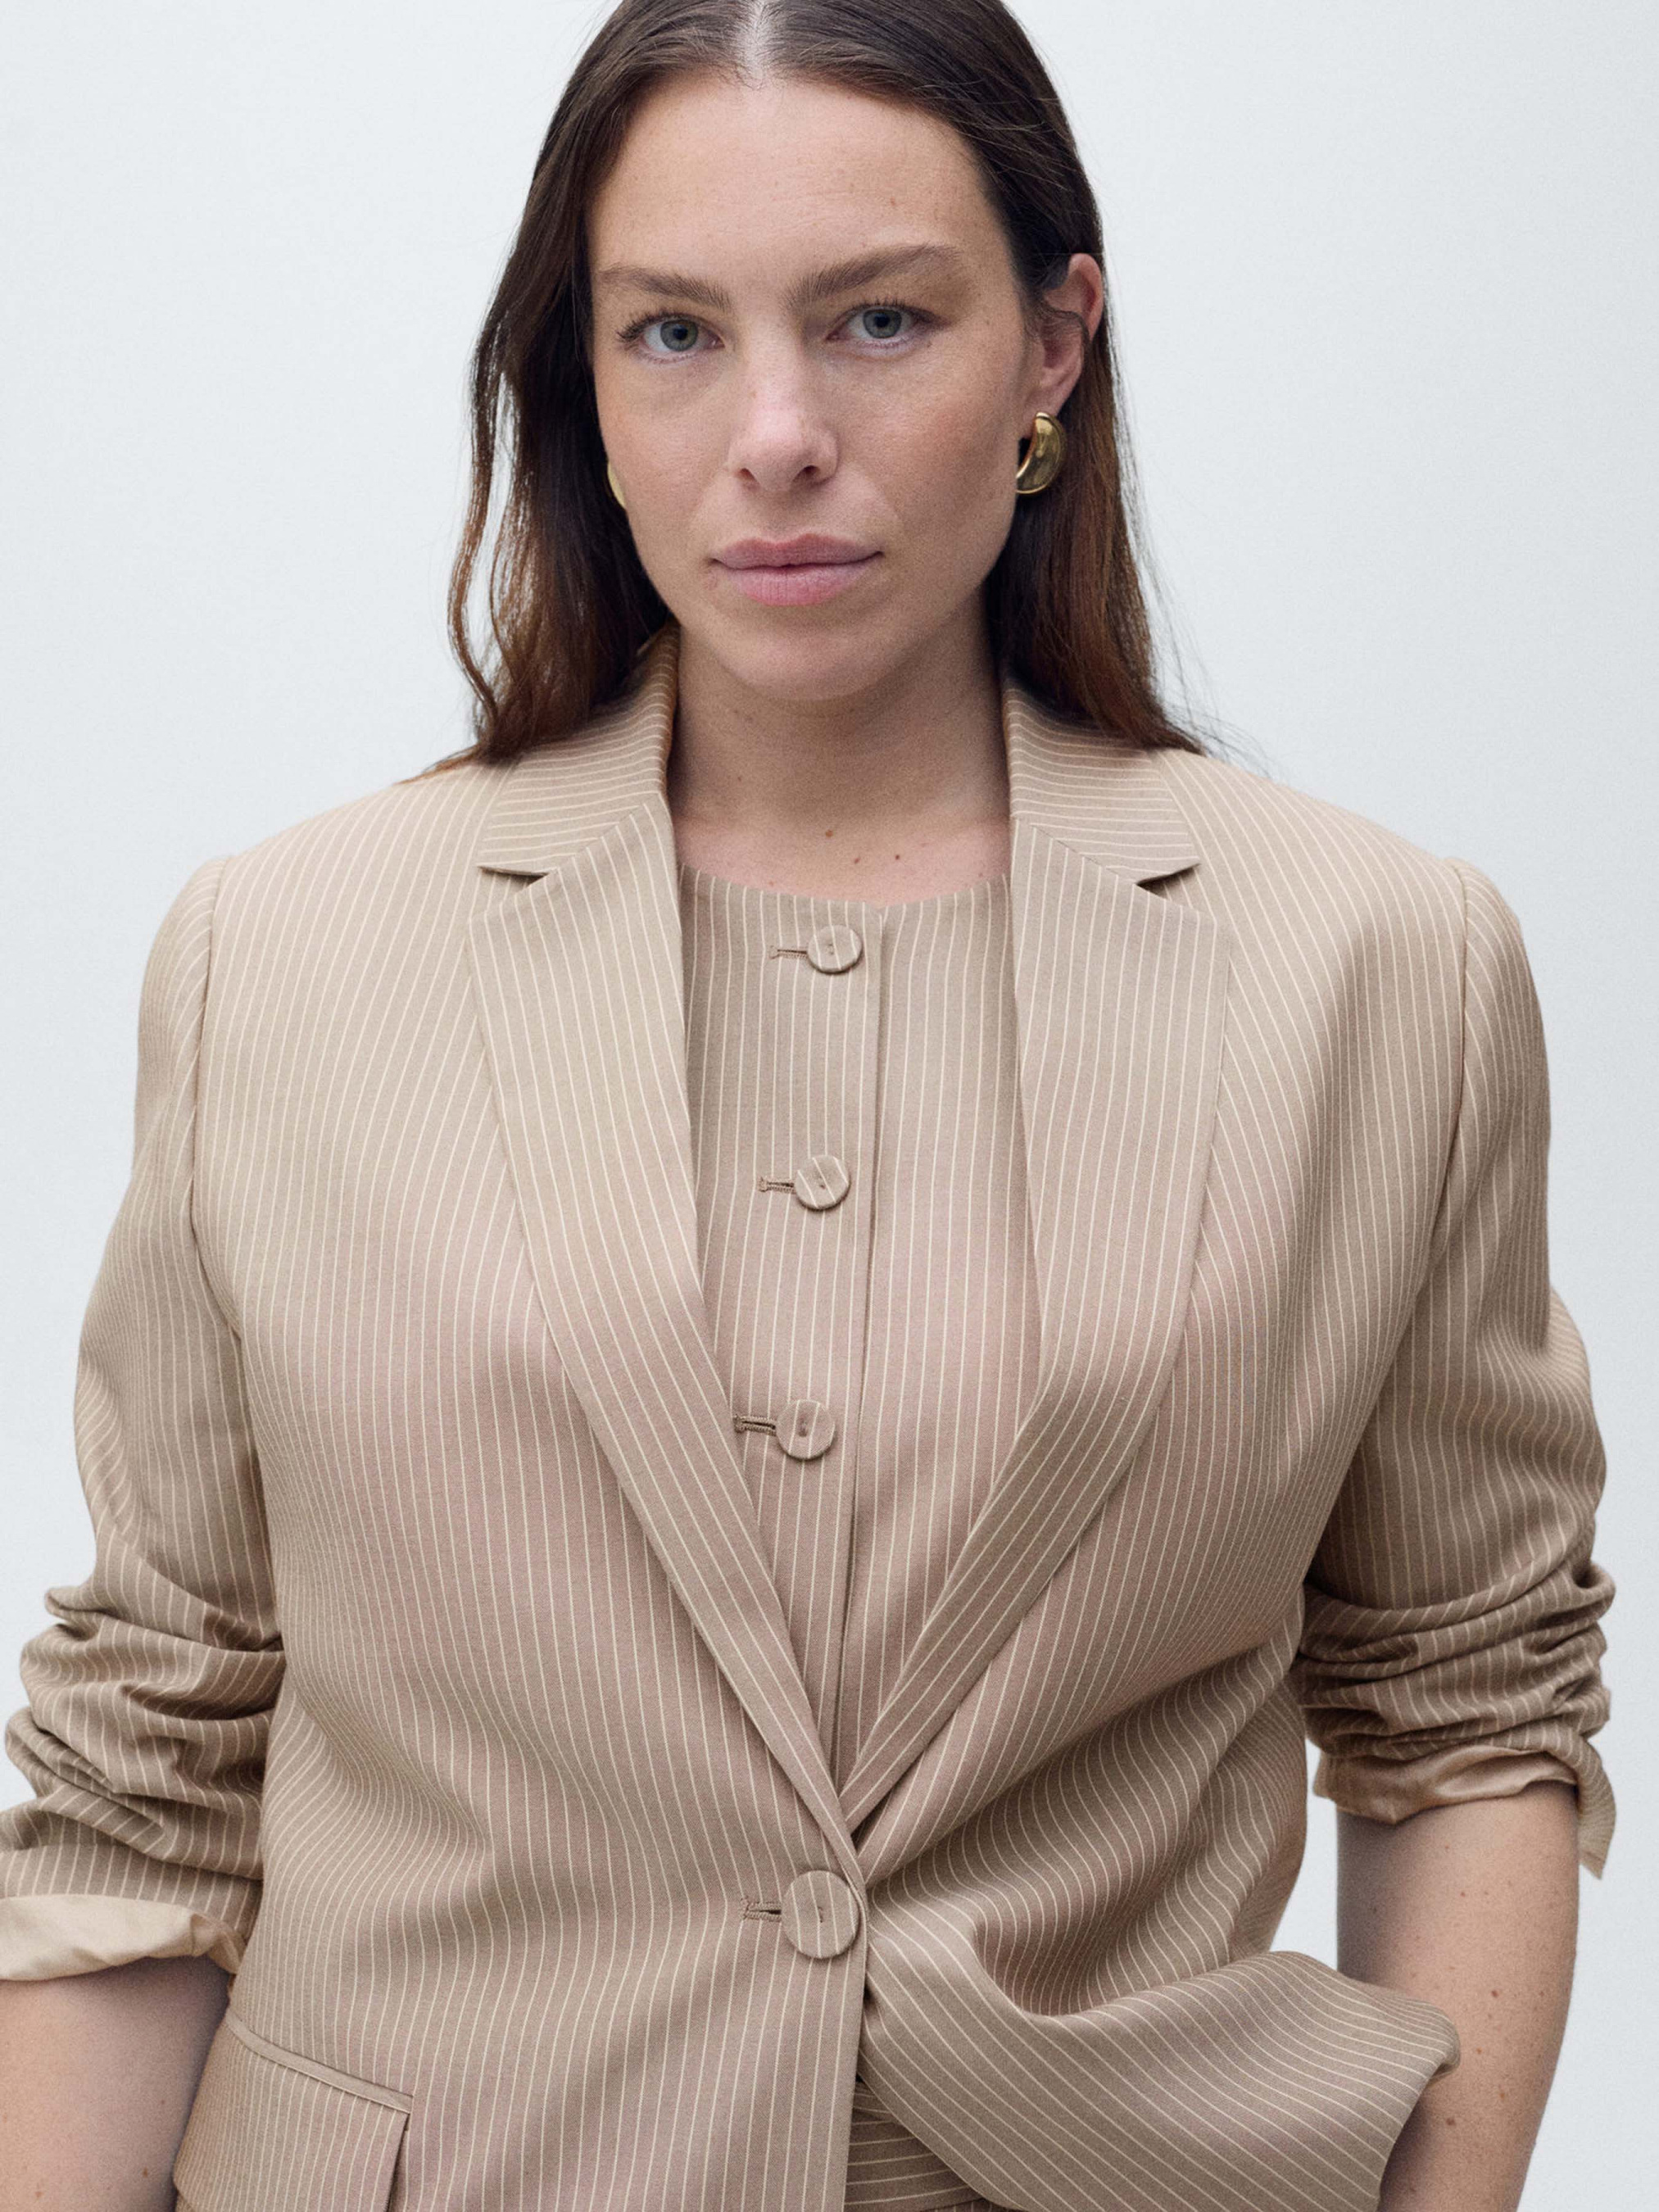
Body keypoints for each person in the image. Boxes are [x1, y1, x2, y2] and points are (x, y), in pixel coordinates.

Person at [0, 2, 1616, 2209]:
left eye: (878, 320)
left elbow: (1463, 1697)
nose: (774, 436)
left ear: (1054, 346)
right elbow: (146, 1764)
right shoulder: (278, 959)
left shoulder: (1372, 968)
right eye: (672, 333)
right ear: (582, 376)